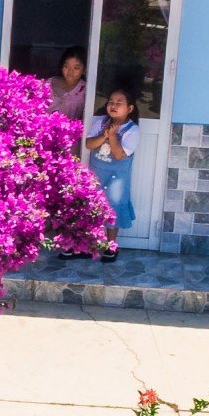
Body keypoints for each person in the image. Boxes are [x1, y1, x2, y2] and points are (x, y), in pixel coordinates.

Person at [84, 86, 138, 261]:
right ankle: (90, 244)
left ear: (129, 108)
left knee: (113, 207)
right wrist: (105, 135)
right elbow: (89, 145)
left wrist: (113, 136)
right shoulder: (100, 121)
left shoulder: (132, 130)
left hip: (117, 177)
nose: (113, 106)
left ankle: (111, 245)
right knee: (92, 208)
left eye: (119, 103)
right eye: (111, 102)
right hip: (97, 172)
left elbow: (119, 154)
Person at [49, 47, 88, 124]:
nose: (70, 71)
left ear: (84, 70)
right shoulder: (48, 83)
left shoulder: (85, 91)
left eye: (76, 68)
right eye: (66, 66)